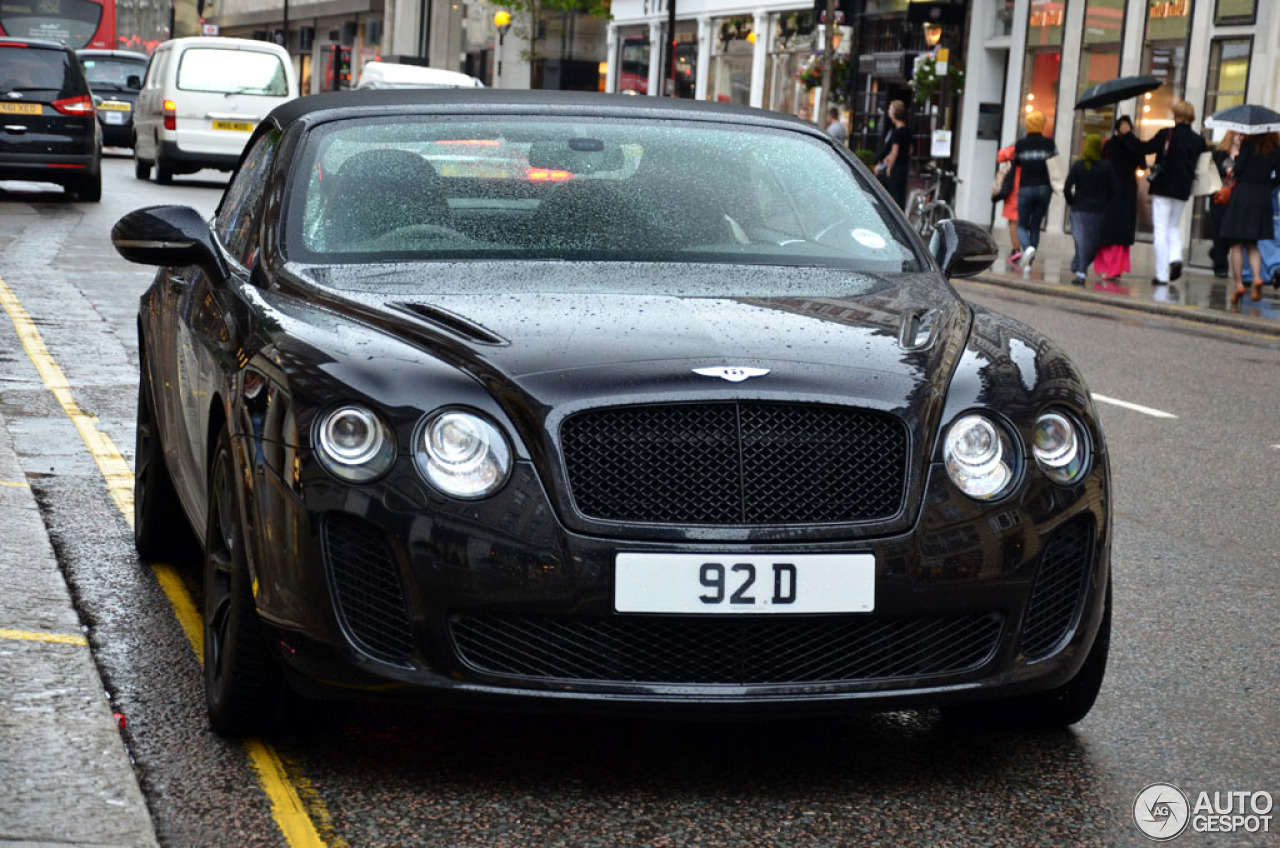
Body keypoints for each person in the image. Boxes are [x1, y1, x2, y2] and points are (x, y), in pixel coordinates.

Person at [1140, 100, 1209, 286]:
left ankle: (1162, 274)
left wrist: (1129, 138)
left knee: (1161, 229)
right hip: (1182, 189)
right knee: (1173, 225)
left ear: (1177, 116)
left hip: (1163, 187)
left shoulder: (1166, 134)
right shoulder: (1198, 140)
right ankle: (1176, 258)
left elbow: (1146, 148)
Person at [1219, 131, 1280, 305]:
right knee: (1253, 243)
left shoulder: (1248, 146)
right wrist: (1267, 186)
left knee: (1236, 243)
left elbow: (1238, 171)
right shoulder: (1276, 149)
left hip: (1243, 195)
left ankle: (1239, 284)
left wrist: (1237, 158)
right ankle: (1257, 277)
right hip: (1263, 197)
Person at [1063, 134, 1119, 284]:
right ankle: (1081, 271)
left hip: (1079, 209)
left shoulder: (1078, 165)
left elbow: (1067, 188)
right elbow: (1114, 189)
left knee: (1081, 241)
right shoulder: (1106, 166)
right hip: (1098, 210)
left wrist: (1072, 201)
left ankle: (1078, 267)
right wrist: (1105, 201)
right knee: (1093, 244)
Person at [1096, 116, 1143, 281]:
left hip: (1125, 189)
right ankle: (1109, 266)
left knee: (1119, 229)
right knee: (1110, 228)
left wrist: (1129, 138)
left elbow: (1141, 162)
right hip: (1115, 188)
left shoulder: (1132, 144)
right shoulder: (1110, 145)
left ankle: (1114, 267)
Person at [1013, 110, 1057, 269]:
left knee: (1021, 225)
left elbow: (1017, 163)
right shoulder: (1049, 143)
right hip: (1044, 188)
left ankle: (1027, 248)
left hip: (1026, 187)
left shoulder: (1021, 144)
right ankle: (1029, 260)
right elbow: (1055, 162)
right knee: (1035, 225)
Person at [1209, 130, 1242, 278]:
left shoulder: (1245, 154)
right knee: (1219, 231)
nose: (1241, 138)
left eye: (1243, 135)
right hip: (1220, 197)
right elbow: (1215, 169)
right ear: (1231, 135)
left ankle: (1216, 253)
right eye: (1238, 134)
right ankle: (1220, 266)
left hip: (1237, 199)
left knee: (1233, 233)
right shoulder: (1220, 153)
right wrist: (1227, 169)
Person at [875, 100, 912, 210]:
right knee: (900, 194)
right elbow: (910, 150)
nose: (888, 111)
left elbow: (895, 151)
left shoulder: (897, 132)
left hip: (896, 168)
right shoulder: (907, 131)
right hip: (904, 166)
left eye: (890, 109)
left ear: (895, 113)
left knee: (894, 197)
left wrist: (889, 167)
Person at [996, 144, 1022, 266]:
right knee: (1022, 221)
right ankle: (1020, 248)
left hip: (1013, 189)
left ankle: (1016, 249)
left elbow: (1000, 156)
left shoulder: (1016, 148)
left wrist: (1011, 149)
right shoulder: (1033, 149)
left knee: (1013, 221)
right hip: (1027, 187)